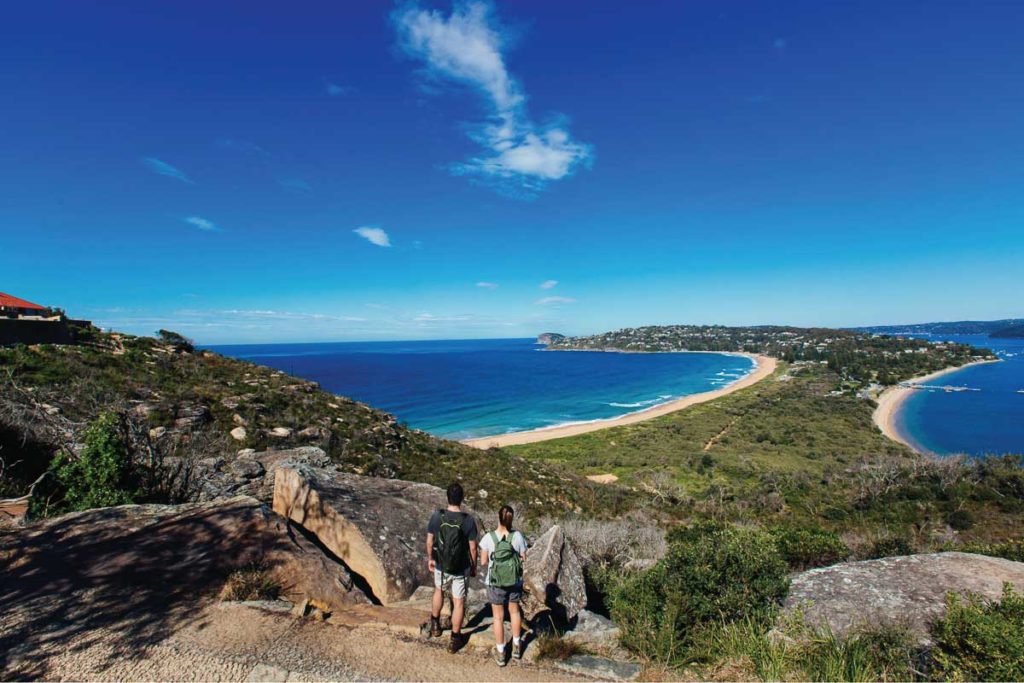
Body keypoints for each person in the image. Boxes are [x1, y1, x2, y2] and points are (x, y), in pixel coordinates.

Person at [425, 482, 478, 653]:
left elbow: (429, 541)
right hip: (460, 568)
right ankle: (455, 638)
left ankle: (435, 624)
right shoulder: (468, 520)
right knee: (459, 601)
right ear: (461, 499)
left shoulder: (437, 516)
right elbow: (473, 548)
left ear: (447, 497)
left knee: (439, 590)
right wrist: (473, 566)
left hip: (441, 563)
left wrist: (430, 558)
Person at [479, 505, 528, 666]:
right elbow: (523, 557)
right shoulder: (518, 536)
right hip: (514, 580)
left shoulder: (488, 537)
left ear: (497, 517)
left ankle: (501, 653)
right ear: (512, 519)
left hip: (495, 582)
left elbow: (484, 561)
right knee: (514, 612)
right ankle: (516, 646)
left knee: (498, 617)